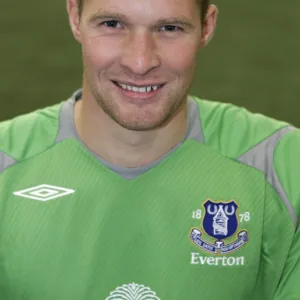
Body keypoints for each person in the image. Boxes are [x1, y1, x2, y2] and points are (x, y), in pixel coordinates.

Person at [0, 0, 299, 299]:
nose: (140, 62)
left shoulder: (283, 167)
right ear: (75, 18)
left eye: (170, 28)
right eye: (112, 25)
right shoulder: (6, 163)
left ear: (207, 26)